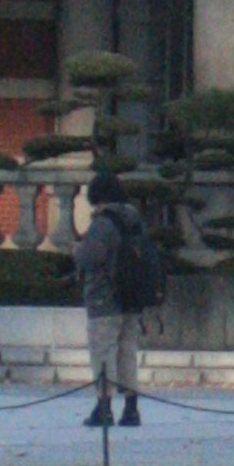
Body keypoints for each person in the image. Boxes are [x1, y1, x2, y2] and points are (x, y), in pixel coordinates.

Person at [75, 174, 154, 429]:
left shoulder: (104, 223)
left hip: (104, 299)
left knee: (104, 352)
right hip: (132, 298)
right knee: (128, 351)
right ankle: (131, 408)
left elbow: (90, 259)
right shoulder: (135, 221)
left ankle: (104, 406)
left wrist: (76, 251)